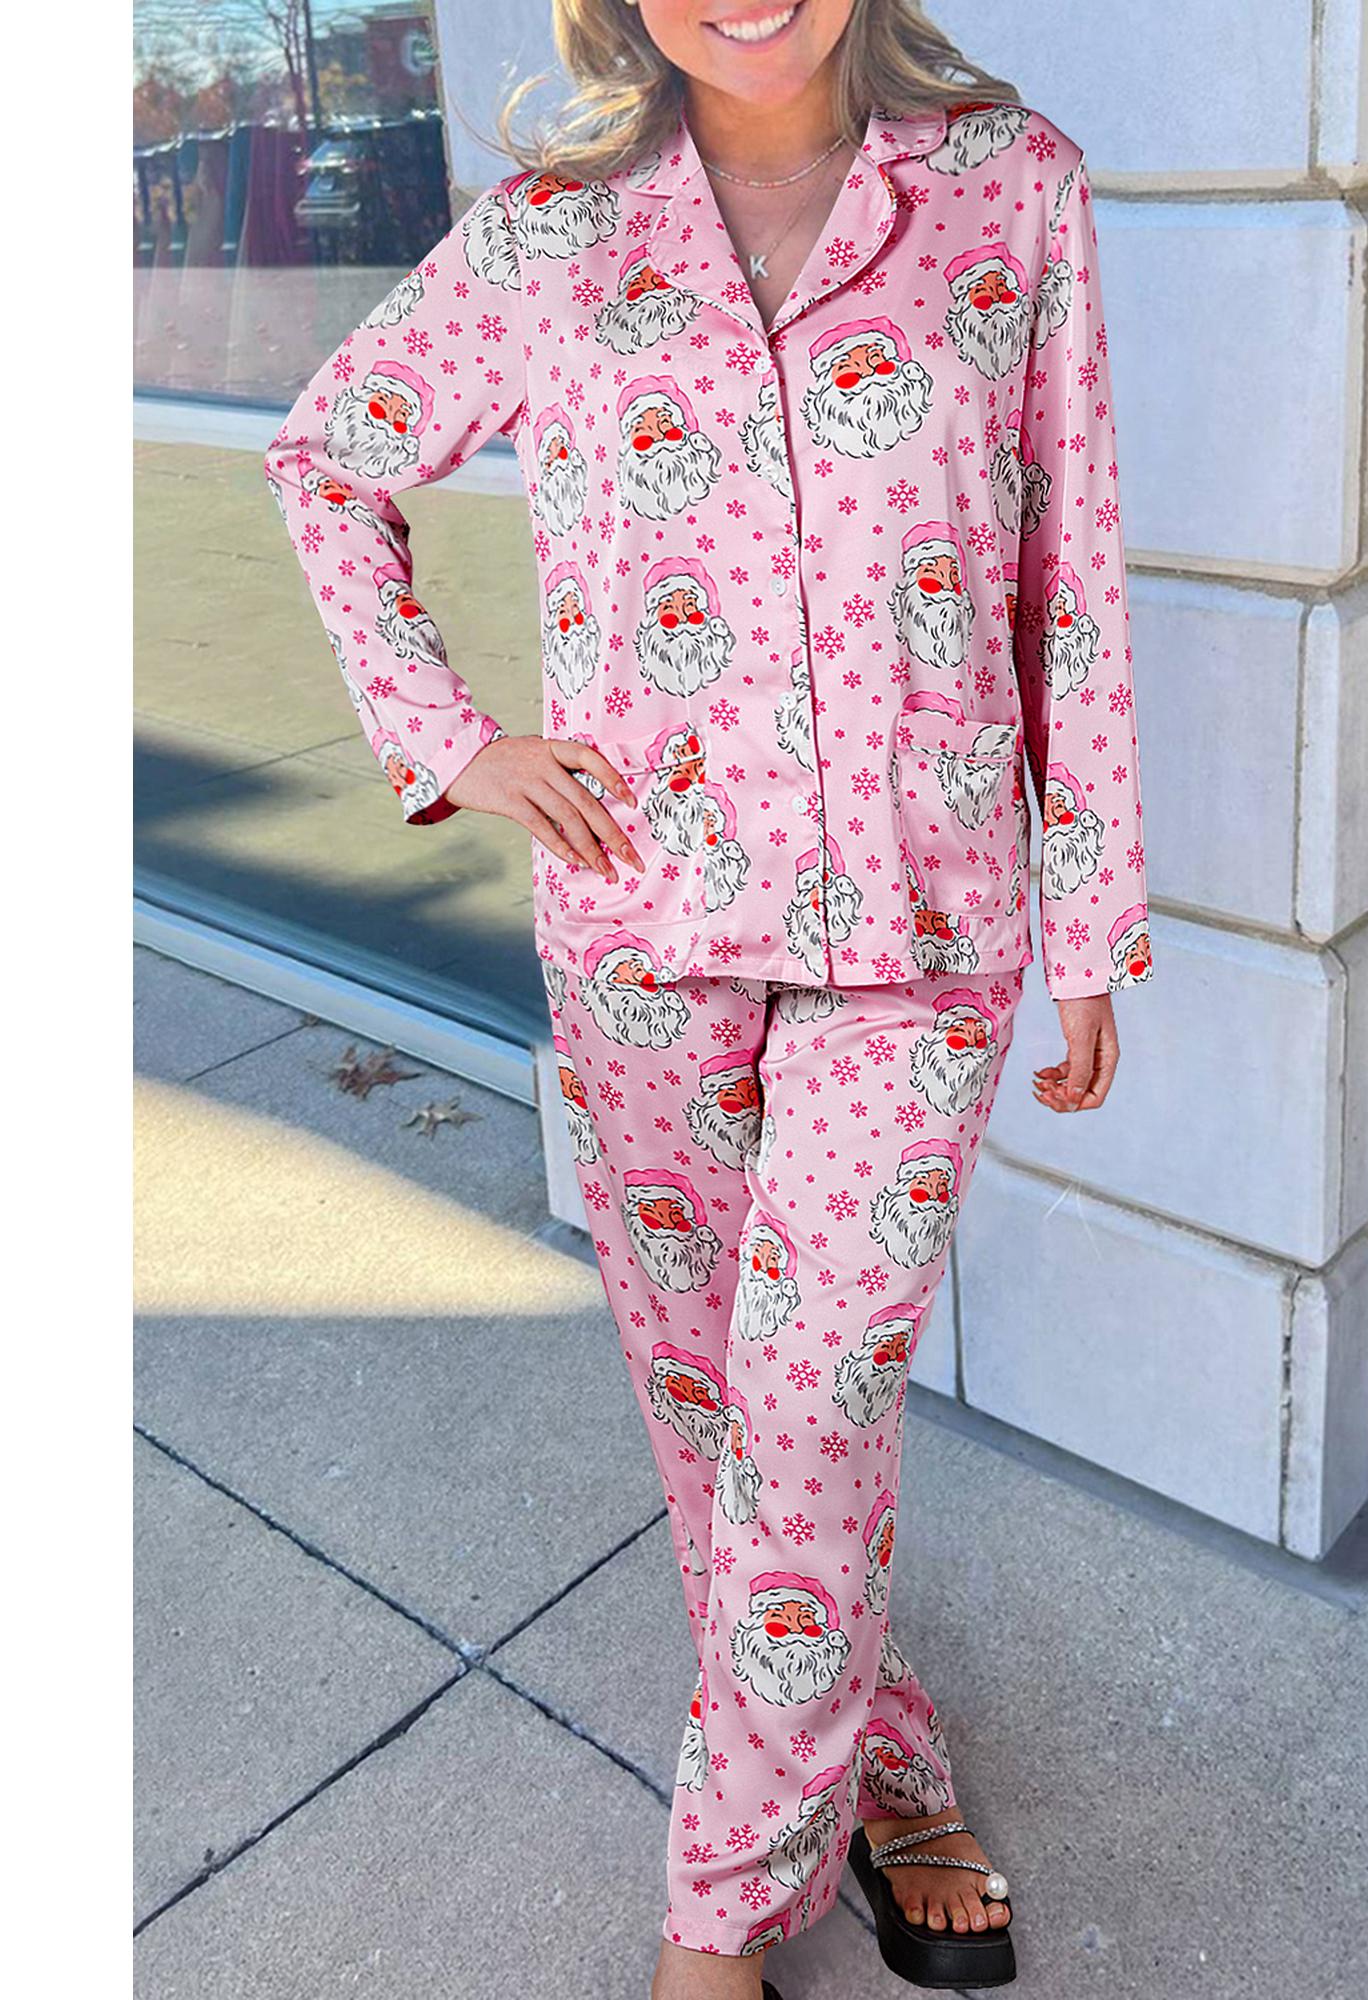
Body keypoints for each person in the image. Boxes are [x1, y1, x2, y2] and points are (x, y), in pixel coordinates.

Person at [263, 4, 1155, 1994]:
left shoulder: (1008, 189)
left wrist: (1093, 907)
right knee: (715, 1421)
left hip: (919, 922)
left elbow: (1068, 560)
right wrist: (450, 737)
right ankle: (883, 1760)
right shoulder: (548, 232)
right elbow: (327, 458)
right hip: (641, 925)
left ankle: (718, 1920)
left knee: (813, 1404)